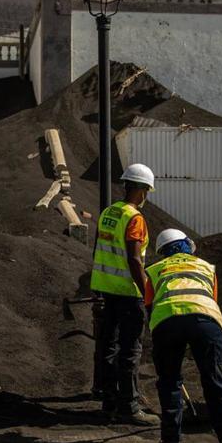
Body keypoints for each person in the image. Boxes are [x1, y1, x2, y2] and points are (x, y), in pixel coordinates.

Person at [146, 229, 222, 443]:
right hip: (205, 320)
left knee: (169, 383)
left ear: (162, 252)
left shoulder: (155, 270)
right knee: (217, 387)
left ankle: (170, 442)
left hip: (167, 321)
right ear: (186, 246)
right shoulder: (206, 267)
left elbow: (150, 307)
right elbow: (211, 299)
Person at [90, 163, 159, 425]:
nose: (146, 196)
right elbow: (134, 259)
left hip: (105, 289)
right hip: (128, 294)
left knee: (107, 346)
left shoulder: (109, 212)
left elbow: (98, 248)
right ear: (141, 190)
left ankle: (109, 404)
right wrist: (147, 293)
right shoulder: (135, 218)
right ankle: (129, 407)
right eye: (146, 190)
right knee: (130, 350)